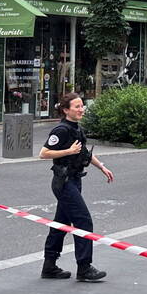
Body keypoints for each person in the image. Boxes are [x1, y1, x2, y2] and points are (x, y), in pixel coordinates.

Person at [39, 93, 115, 282]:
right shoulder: (61, 130)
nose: (81, 109)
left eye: (82, 106)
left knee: (60, 224)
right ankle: (84, 267)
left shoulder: (76, 129)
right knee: (83, 221)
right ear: (66, 110)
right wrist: (67, 151)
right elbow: (43, 153)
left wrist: (102, 167)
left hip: (74, 179)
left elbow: (83, 154)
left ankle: (49, 266)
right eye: (77, 106)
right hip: (63, 181)